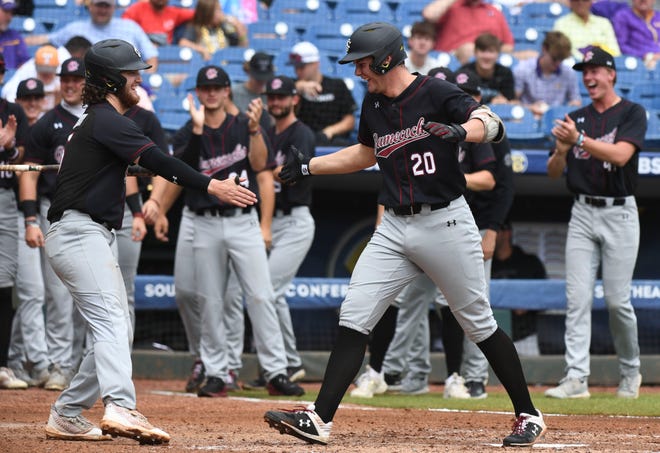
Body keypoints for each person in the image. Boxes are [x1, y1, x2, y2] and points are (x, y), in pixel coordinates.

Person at [264, 22, 546, 448]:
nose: (358, 72)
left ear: (384, 58)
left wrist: (460, 131)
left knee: (478, 322)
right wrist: (310, 166)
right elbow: (365, 151)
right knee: (355, 314)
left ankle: (529, 414)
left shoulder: (434, 91)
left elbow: (490, 121)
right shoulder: (373, 103)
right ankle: (319, 419)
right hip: (395, 225)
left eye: (362, 63)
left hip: (445, 221)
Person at [42, 39, 257, 443]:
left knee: (115, 325)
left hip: (84, 233)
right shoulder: (107, 119)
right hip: (78, 231)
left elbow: (129, 167)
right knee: (111, 321)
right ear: (109, 80)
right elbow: (160, 161)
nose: (138, 77)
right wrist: (213, 186)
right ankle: (121, 405)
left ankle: (68, 413)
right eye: (130, 72)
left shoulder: (99, 120)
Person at [149, 65, 305, 399]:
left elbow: (262, 165)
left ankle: (276, 371)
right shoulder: (188, 131)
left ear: (226, 91)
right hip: (204, 221)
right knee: (210, 300)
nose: (211, 92)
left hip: (242, 221)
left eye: (217, 87)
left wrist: (254, 131)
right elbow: (178, 171)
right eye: (205, 88)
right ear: (198, 92)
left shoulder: (243, 124)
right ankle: (217, 372)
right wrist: (194, 131)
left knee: (261, 295)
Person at [546, 46, 646, 400]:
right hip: (583, 212)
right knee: (577, 299)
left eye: (595, 70)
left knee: (618, 302)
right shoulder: (576, 117)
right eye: (584, 71)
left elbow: (621, 155)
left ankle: (630, 371)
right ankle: (575, 377)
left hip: (620, 211)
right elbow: (554, 172)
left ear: (611, 74)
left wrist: (579, 141)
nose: (589, 77)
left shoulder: (633, 112)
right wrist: (561, 149)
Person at [11, 58, 87, 392]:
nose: (70, 83)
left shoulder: (97, 117)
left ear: (87, 82)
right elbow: (28, 170)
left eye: (76, 78)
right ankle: (58, 364)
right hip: (51, 210)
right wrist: (31, 217)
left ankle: (71, 361)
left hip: (89, 213)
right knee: (53, 293)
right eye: (65, 79)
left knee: (81, 293)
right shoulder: (48, 122)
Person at [242, 75, 316, 388]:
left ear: (294, 99)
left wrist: (263, 167)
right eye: (272, 97)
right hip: (270, 218)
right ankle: (287, 363)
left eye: (282, 97)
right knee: (274, 295)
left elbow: (290, 174)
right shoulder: (268, 132)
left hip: (295, 219)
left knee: (267, 290)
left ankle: (283, 363)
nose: (276, 102)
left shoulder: (303, 133)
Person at [0, 50, 29, 391]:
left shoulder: (12, 110)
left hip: (5, 199)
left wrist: (7, 149)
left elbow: (22, 153)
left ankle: (3, 364)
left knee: (4, 285)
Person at [26, 0, 158, 72]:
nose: (103, 10)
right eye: (99, 5)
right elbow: (47, 39)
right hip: (87, 84)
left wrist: (144, 78)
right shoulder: (76, 28)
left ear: (113, 8)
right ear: (90, 6)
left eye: (107, 6)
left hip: (126, 83)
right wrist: (19, 41)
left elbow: (151, 56)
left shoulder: (130, 27)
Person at [491, 221, 547, 356]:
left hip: (524, 337)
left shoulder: (529, 262)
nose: (490, 235)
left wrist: (526, 303)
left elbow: (545, 296)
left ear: (506, 233)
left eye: (495, 231)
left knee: (532, 376)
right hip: (490, 337)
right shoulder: (485, 263)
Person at [289, 41, 357, 146]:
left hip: (332, 142)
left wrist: (330, 131)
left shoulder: (337, 85)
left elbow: (349, 121)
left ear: (316, 63)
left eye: (302, 67)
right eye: (295, 67)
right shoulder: (291, 86)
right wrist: (298, 87)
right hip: (301, 141)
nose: (297, 71)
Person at [1, 36, 92, 106]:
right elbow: (8, 94)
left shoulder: (57, 57)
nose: (46, 74)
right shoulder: (40, 62)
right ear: (81, 54)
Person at [513, 31, 581, 118]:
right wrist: (530, 108)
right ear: (544, 49)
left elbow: (576, 101)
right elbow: (512, 103)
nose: (558, 63)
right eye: (554, 59)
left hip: (556, 120)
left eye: (561, 59)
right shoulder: (522, 69)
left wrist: (572, 106)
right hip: (528, 118)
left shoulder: (569, 73)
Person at [422, 0, 514, 64]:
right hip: (452, 57)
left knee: (527, 55)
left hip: (488, 58)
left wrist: (488, 50)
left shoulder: (494, 11)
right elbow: (429, 15)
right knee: (469, 49)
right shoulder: (451, 7)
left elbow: (509, 46)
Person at [177, 0, 247, 61]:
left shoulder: (224, 26)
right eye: (217, 11)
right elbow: (183, 43)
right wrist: (202, 50)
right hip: (204, 65)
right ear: (207, 12)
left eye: (220, 10)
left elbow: (242, 47)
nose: (221, 14)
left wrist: (239, 30)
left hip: (225, 64)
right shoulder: (196, 27)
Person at [457, 33, 515, 105]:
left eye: (491, 51)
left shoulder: (505, 73)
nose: (487, 56)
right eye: (482, 51)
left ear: (498, 54)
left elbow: (510, 101)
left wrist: (504, 101)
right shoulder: (464, 73)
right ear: (475, 52)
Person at [553, 0, 620, 60]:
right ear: (570, 2)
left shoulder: (604, 23)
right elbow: (562, 51)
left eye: (585, 0)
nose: (580, 2)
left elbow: (615, 51)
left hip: (603, 66)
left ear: (591, 2)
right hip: (576, 66)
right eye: (576, 0)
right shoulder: (561, 24)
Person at [230, 51, 274, 131]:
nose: (261, 81)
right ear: (248, 71)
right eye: (258, 78)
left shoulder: (273, 96)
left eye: (265, 78)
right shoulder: (234, 93)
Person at [122, 0, 194, 46]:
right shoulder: (137, 8)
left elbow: (198, 15)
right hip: (141, 51)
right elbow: (124, 29)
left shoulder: (174, 12)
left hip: (166, 53)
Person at [611, 0, 660, 69]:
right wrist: (647, 55)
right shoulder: (623, 16)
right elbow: (621, 45)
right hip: (637, 62)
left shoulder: (658, 16)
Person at [0, 0, 29, 70]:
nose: (9, 17)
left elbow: (25, 64)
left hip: (13, 79)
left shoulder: (15, 36)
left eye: (11, 13)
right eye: (6, 12)